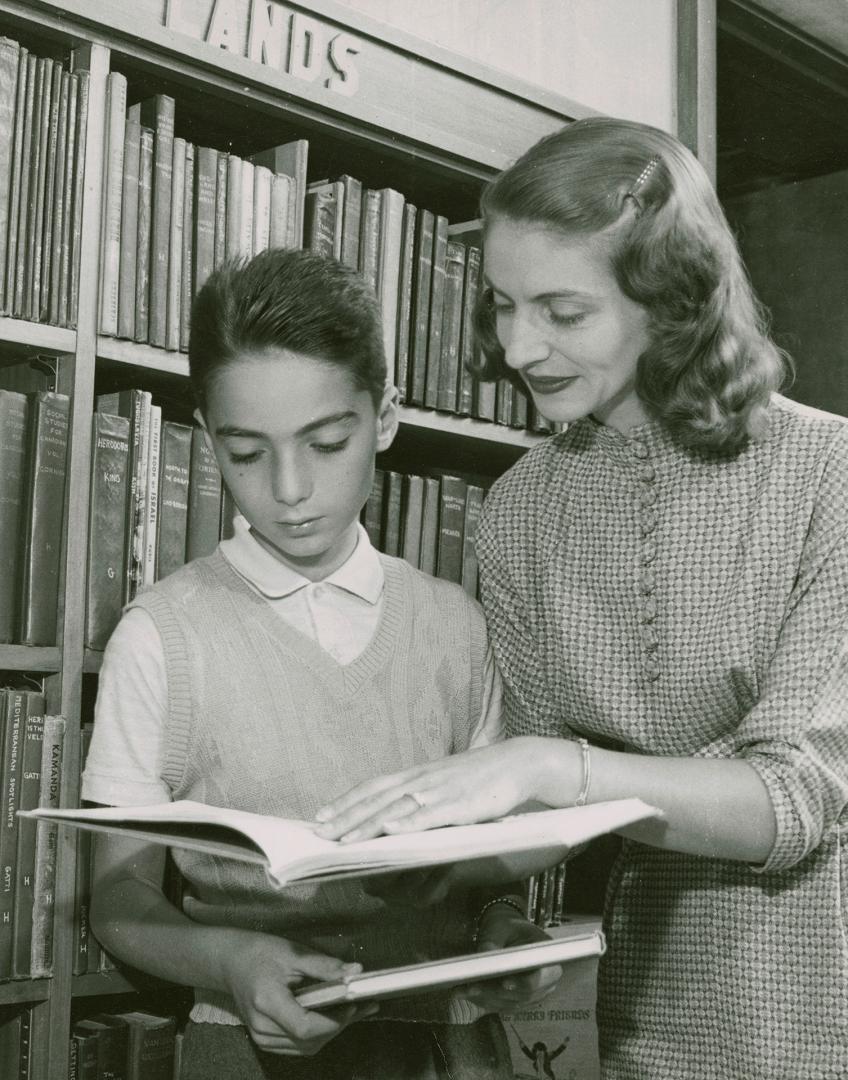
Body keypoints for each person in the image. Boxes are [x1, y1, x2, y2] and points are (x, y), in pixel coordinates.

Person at [313, 117, 848, 1080]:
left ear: (673, 299)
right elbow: (544, 815)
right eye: (504, 303)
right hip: (648, 1020)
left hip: (821, 1008)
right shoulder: (521, 510)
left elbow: (793, 801)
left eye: (563, 312)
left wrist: (552, 766)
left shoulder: (826, 475)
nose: (519, 346)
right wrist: (461, 888)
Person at [83, 248, 561, 1080]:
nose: (291, 488)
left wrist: (503, 938)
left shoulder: (457, 627)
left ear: (384, 418)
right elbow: (118, 900)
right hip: (251, 1044)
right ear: (207, 439)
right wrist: (232, 960)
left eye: (327, 442)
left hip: (450, 1052)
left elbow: (488, 873)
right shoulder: (163, 635)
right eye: (247, 454)